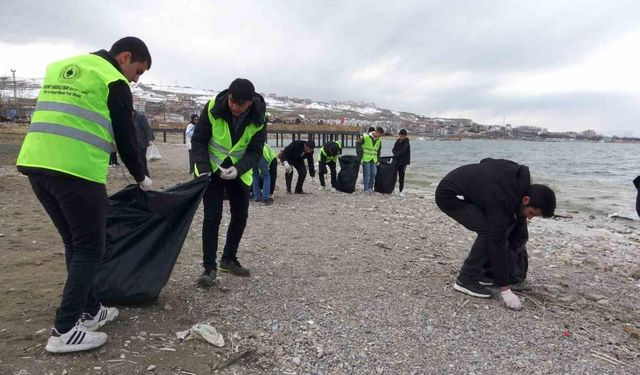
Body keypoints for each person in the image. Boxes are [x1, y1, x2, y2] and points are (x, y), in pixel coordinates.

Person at [15, 37, 153, 353]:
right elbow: (126, 136)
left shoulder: (60, 67)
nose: (136, 78)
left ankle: (91, 311)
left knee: (74, 243)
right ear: (125, 56)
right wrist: (142, 176)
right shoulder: (113, 80)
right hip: (76, 171)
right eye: (138, 70)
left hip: (36, 165)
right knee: (90, 248)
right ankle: (64, 329)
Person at [434, 158, 556, 311]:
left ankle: (484, 272)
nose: (530, 218)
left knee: (506, 226)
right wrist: (505, 290)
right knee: (490, 232)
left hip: (471, 191)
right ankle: (466, 279)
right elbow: (497, 240)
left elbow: (486, 161)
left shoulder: (517, 179)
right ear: (526, 199)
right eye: (531, 213)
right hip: (450, 196)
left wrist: (480, 188)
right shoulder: (503, 198)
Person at [191, 78, 266, 286]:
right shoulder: (214, 106)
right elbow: (198, 141)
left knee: (240, 216)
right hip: (212, 170)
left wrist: (239, 169)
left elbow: (255, 150)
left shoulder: (259, 117)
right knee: (212, 217)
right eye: (232, 101)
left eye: (240, 104)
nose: (234, 106)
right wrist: (204, 169)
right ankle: (209, 267)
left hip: (239, 172)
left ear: (250, 103)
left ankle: (228, 259)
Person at [356, 126, 384, 192]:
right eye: (379, 135)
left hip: (374, 159)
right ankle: (366, 189)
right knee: (367, 174)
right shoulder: (366, 137)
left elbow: (378, 150)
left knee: (373, 173)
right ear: (376, 132)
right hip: (366, 158)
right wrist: (360, 154)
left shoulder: (379, 140)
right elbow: (358, 143)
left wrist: (378, 160)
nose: (380, 136)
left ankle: (370, 187)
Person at [133, 110, 154, 177]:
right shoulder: (128, 118)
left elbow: (147, 128)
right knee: (135, 160)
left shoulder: (140, 116)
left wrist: (149, 140)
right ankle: (139, 174)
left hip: (141, 142)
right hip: (133, 142)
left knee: (142, 160)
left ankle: (145, 174)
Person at [392, 129, 411, 196]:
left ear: (405, 136)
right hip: (397, 160)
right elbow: (393, 149)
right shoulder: (397, 141)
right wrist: (395, 154)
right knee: (394, 175)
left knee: (401, 176)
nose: (401, 137)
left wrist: (396, 154)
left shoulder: (406, 142)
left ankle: (401, 190)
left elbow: (403, 150)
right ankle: (392, 188)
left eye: (403, 136)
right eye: (400, 136)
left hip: (403, 162)